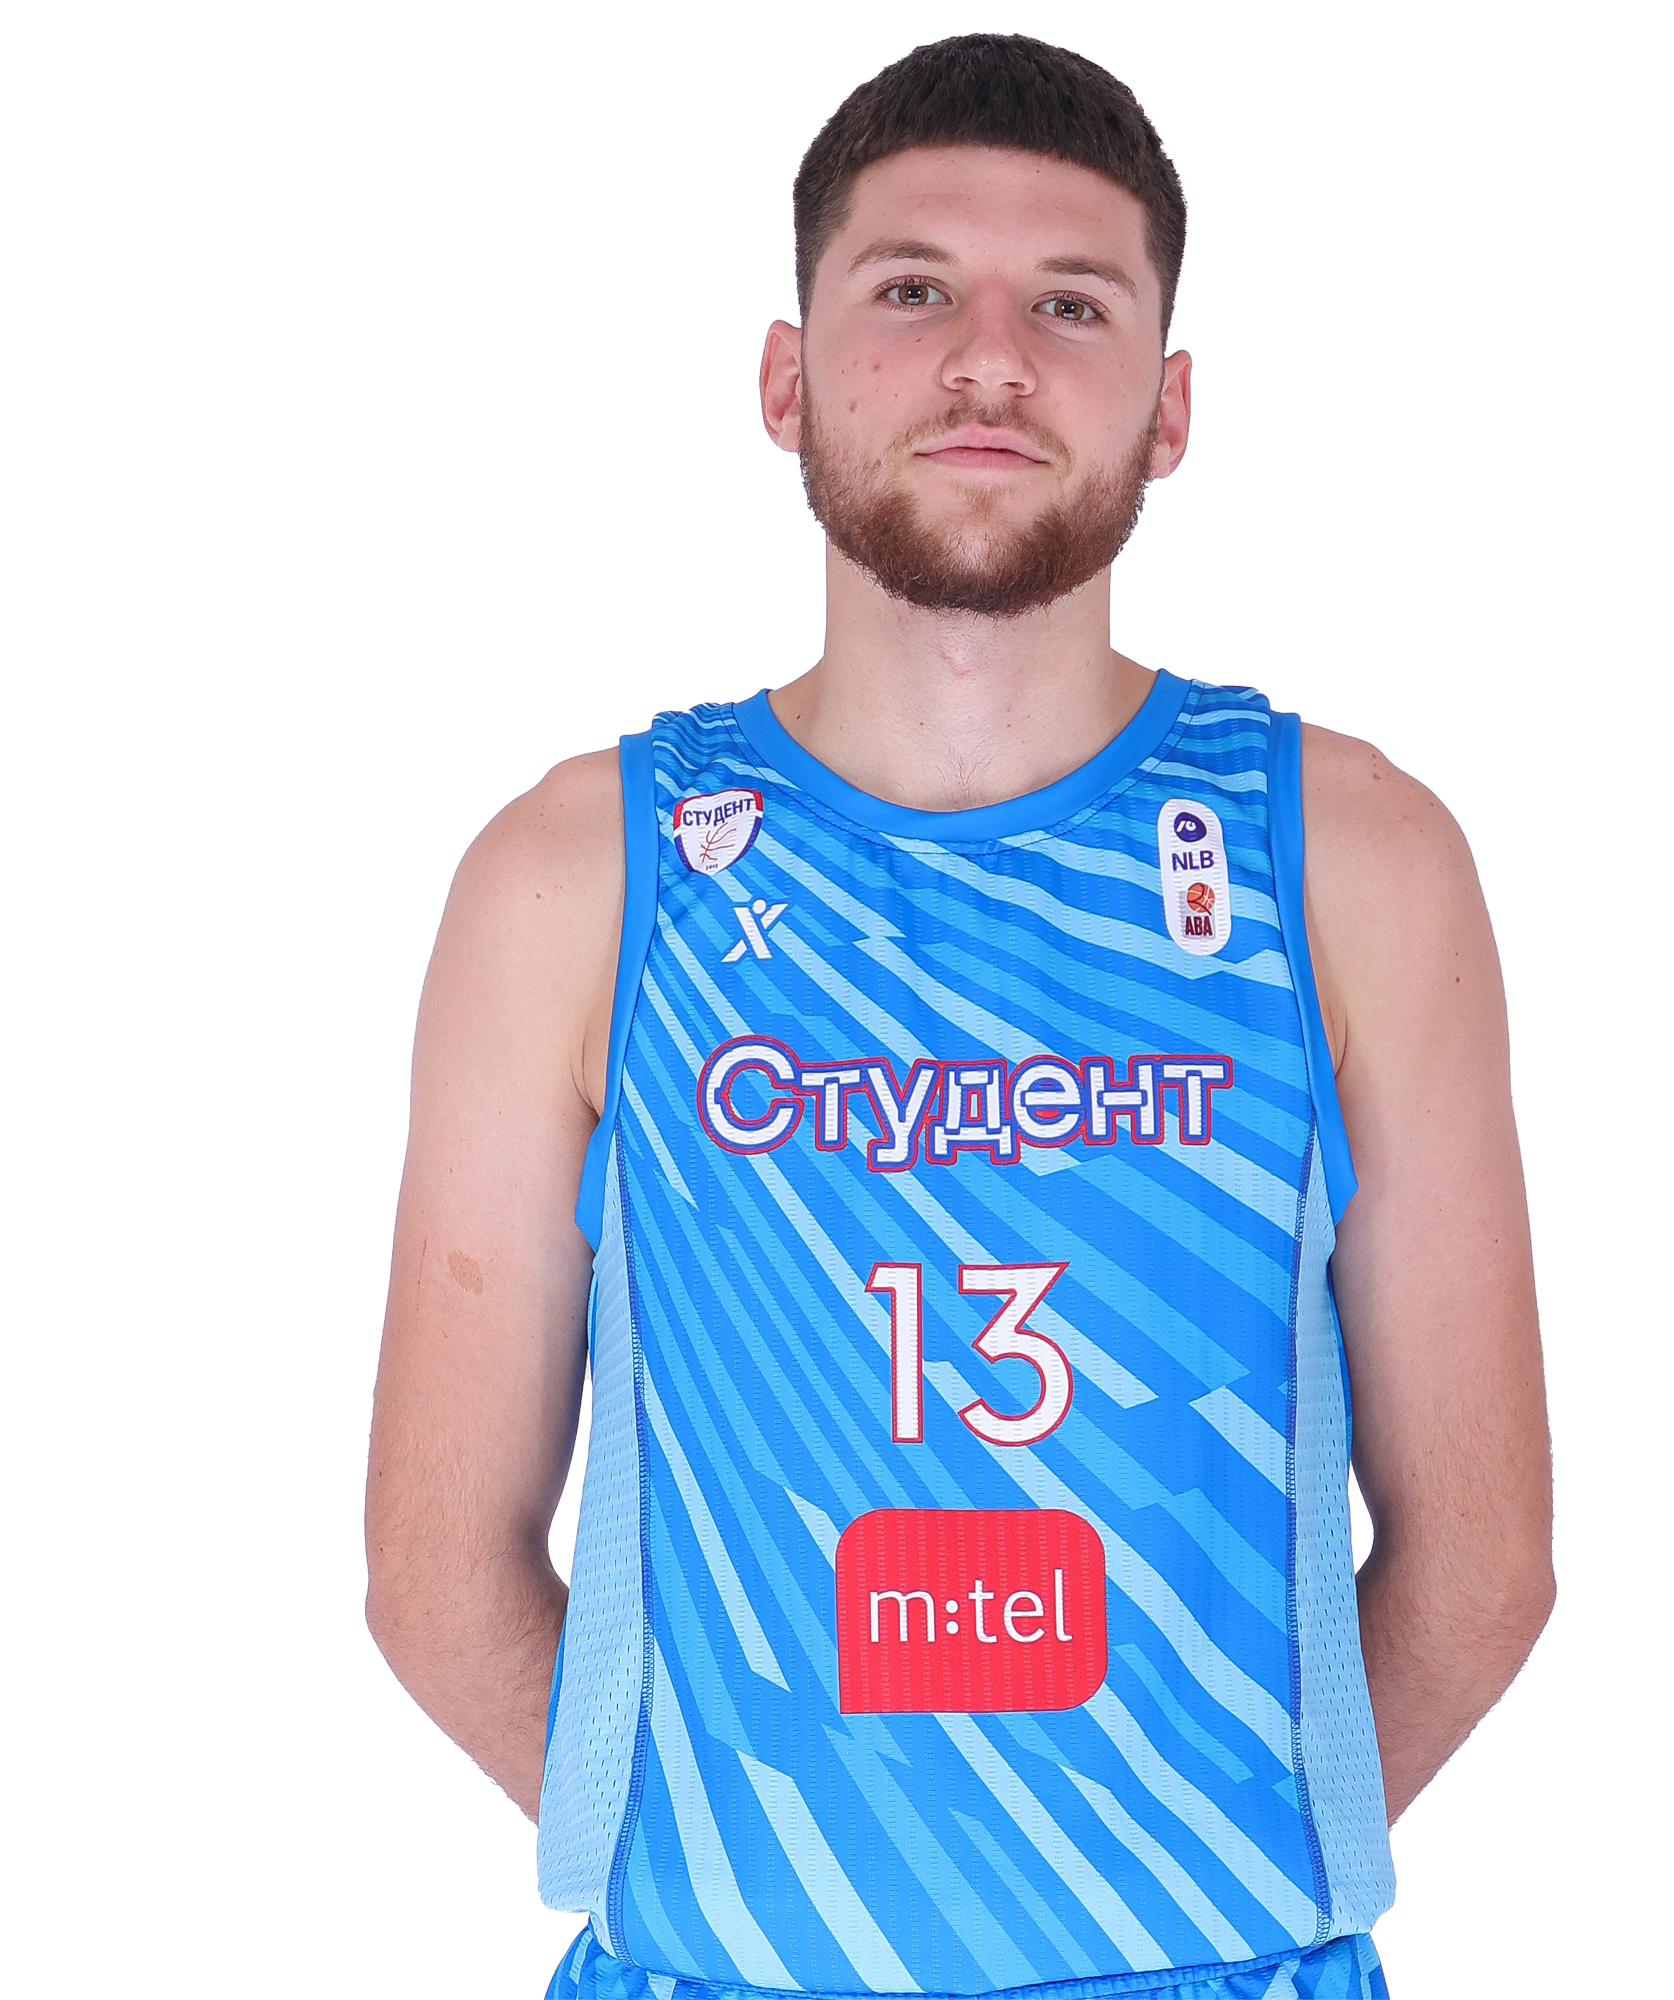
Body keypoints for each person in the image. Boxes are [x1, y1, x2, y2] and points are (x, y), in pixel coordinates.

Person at [366, 34, 1553, 2000]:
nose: (988, 359)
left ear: (1170, 405)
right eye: (912, 288)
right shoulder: (578, 875)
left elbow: (1484, 1559)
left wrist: (1187, 1900)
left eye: (1069, 304)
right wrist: (752, 1898)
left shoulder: (1348, 855)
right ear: (785, 378)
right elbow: (435, 1571)